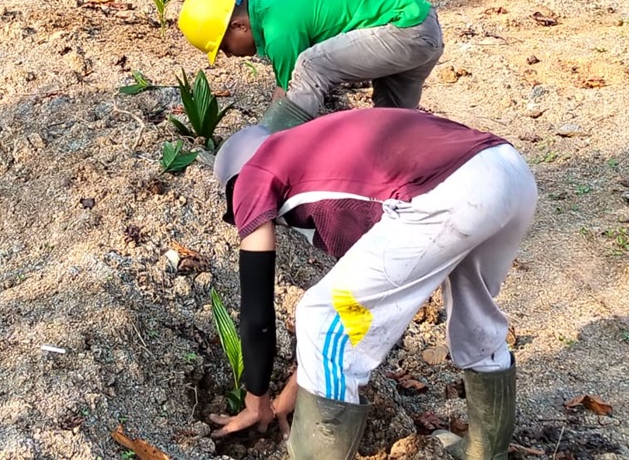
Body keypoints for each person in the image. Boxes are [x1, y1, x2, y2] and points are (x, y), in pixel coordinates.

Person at [208, 108, 538, 459]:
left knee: (319, 320)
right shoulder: (323, 159)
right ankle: (486, 453)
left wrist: (257, 397)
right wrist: (294, 394)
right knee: (476, 318)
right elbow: (356, 314)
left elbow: (257, 314)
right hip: (507, 170)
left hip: (453, 192)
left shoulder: (255, 174)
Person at [177, 0, 444, 121]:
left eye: (223, 46)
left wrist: (263, 140)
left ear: (238, 26)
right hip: (420, 26)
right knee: (392, 125)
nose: (227, 56)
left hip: (405, 31)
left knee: (311, 66)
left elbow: (289, 97)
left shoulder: (278, 31)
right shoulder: (276, 4)